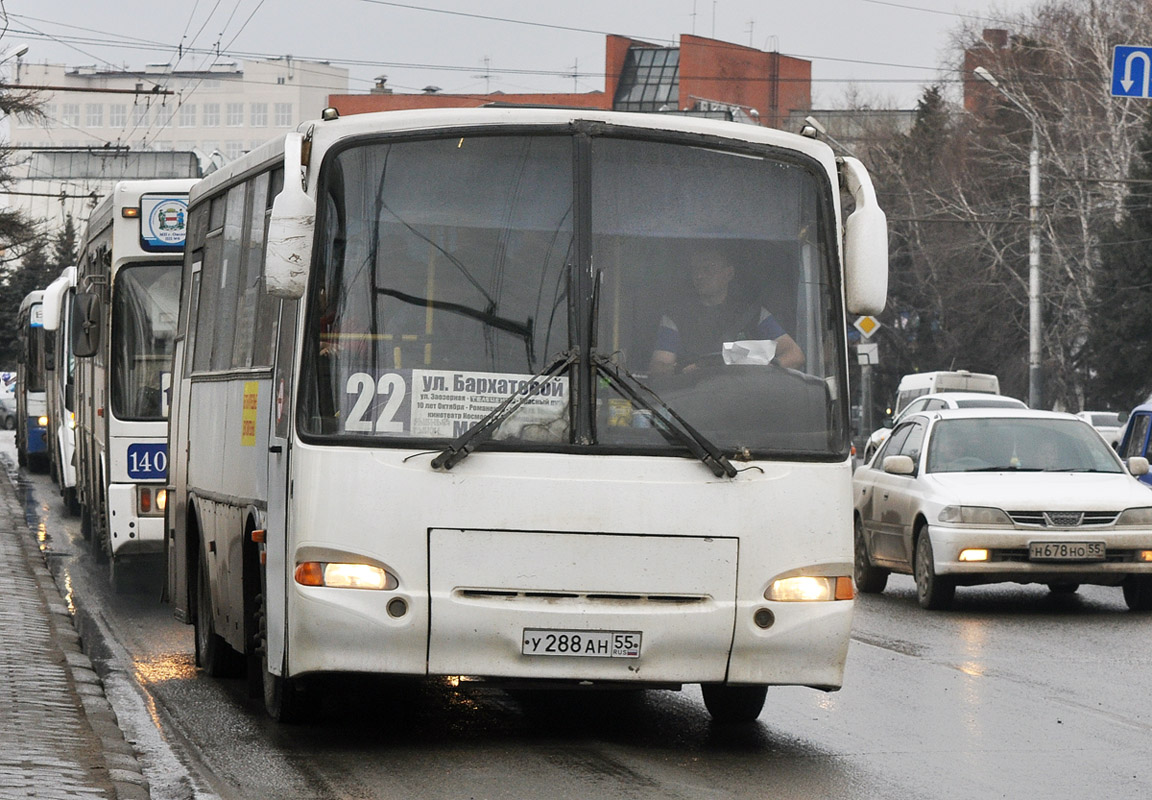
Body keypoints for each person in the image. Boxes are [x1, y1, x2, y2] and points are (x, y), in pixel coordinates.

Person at [647, 250, 804, 376]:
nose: (699, 276)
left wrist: (765, 370)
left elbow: (795, 355)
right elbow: (658, 367)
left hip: (746, 399)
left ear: (729, 274)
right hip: (693, 399)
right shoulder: (676, 316)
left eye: (708, 269)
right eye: (695, 270)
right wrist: (682, 370)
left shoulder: (753, 314)